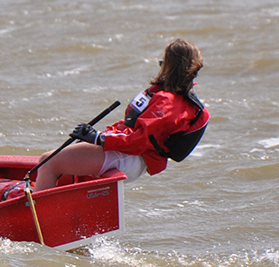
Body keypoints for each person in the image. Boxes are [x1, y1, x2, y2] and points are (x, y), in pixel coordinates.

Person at [34, 39, 209, 190]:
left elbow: (139, 140)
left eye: (163, 61)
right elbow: (131, 125)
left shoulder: (168, 102)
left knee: (49, 162)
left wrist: (99, 139)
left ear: (170, 66)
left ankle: (35, 219)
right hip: (129, 155)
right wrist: (97, 135)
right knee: (59, 163)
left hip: (131, 158)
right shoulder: (167, 96)